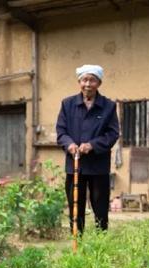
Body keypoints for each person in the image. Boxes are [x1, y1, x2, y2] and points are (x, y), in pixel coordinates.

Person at [56, 64, 119, 232]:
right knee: (75, 205)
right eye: (84, 80)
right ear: (79, 82)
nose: (88, 84)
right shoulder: (67, 104)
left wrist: (92, 145)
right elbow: (61, 131)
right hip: (75, 165)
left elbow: (112, 134)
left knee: (100, 206)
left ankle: (101, 240)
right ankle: (77, 239)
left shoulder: (108, 106)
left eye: (92, 80)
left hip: (98, 165)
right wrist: (69, 144)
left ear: (99, 83)